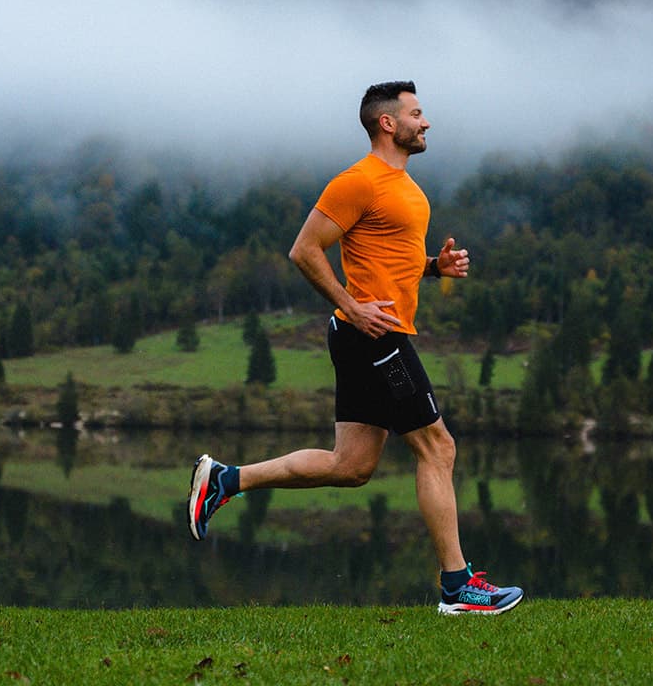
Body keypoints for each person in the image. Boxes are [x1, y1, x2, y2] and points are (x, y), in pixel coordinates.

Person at [188, 80, 523, 616]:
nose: (426, 122)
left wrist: (436, 268)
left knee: (351, 465)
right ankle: (458, 586)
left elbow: (392, 260)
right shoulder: (358, 181)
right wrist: (354, 303)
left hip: (368, 334)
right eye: (417, 113)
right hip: (374, 335)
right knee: (439, 448)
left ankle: (227, 480)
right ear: (388, 123)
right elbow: (304, 250)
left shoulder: (408, 190)